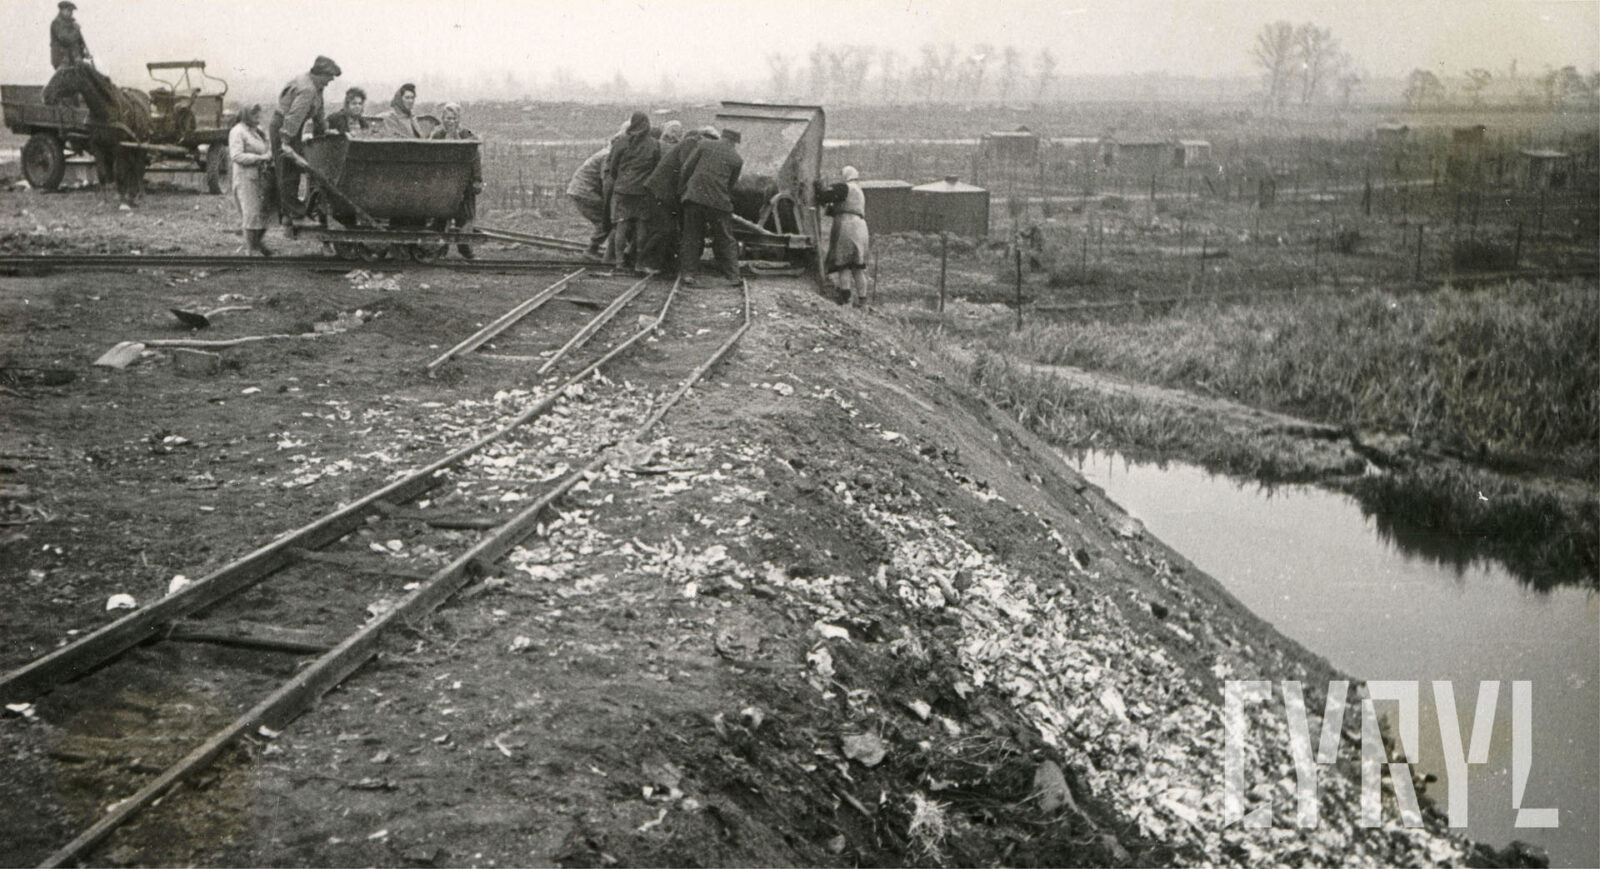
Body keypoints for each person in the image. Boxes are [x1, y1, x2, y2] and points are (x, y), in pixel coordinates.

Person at [271, 56, 340, 219]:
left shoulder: (316, 86)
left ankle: (295, 210)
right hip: (284, 127)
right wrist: (285, 142)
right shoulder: (308, 89)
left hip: (293, 127)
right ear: (320, 74)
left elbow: (319, 111)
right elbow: (294, 117)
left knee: (296, 168)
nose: (331, 81)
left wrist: (325, 129)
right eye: (329, 77)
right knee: (287, 169)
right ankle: (291, 212)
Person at [677, 127, 743, 287]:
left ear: (722, 136)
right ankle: (733, 276)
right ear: (735, 142)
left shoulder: (704, 145)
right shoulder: (737, 159)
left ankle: (688, 274)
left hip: (695, 197)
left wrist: (683, 189)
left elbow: (686, 168)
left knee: (692, 235)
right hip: (719, 202)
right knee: (725, 238)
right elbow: (730, 185)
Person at [604, 111, 661, 272]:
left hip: (622, 190)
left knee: (621, 225)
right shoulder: (654, 144)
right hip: (643, 191)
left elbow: (613, 167)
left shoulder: (621, 142)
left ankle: (619, 262)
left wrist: (622, 180)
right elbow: (656, 168)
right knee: (642, 227)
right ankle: (639, 263)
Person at [640, 122, 698, 275]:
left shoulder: (689, 145)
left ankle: (664, 263)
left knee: (669, 230)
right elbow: (685, 170)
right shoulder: (690, 144)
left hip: (665, 193)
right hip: (659, 192)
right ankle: (644, 262)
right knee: (663, 229)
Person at [429, 102, 483, 259]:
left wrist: (477, 179)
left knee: (464, 219)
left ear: (458, 119)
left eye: (454, 118)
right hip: (443, 184)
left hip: (463, 185)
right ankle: (439, 250)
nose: (451, 122)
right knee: (440, 219)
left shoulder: (467, 135)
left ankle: (466, 250)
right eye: (447, 118)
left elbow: (475, 158)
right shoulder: (437, 136)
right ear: (443, 119)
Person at [815, 166, 871, 306]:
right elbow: (838, 206)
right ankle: (862, 301)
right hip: (861, 227)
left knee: (843, 264)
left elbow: (825, 197)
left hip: (847, 226)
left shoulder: (845, 188)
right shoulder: (859, 191)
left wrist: (818, 189)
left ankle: (846, 299)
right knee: (858, 267)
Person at [229, 104, 275, 256]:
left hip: (260, 177)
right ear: (246, 116)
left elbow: (265, 147)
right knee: (251, 214)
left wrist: (267, 149)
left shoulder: (256, 131)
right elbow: (236, 155)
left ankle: (257, 243)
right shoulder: (237, 131)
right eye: (255, 115)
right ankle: (251, 250)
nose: (258, 118)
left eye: (258, 115)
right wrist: (260, 158)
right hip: (245, 178)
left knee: (264, 212)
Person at [567, 144, 612, 259]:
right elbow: (606, 180)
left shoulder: (605, 152)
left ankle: (598, 250)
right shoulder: (608, 155)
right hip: (585, 192)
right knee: (606, 221)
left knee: (606, 221)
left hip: (581, 190)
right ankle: (591, 250)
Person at [50, 1, 90, 70]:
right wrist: (76, 30)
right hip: (62, 61)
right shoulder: (56, 23)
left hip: (75, 60)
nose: (71, 13)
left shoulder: (73, 24)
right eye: (69, 10)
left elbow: (77, 42)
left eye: (71, 11)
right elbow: (66, 39)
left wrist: (83, 54)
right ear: (62, 10)